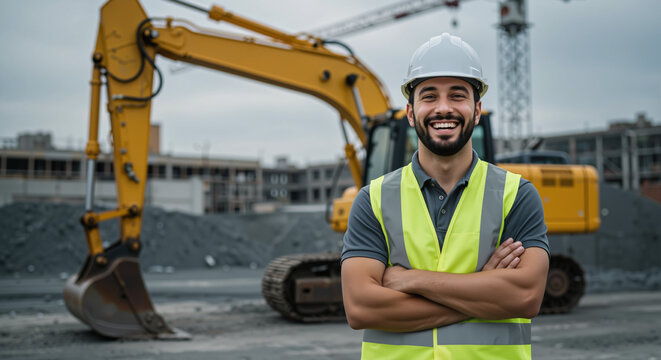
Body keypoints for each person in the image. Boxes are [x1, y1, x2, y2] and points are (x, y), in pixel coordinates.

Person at [341, 33, 549, 360]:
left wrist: (411, 280)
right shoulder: (373, 199)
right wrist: (484, 289)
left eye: (457, 95)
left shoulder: (516, 195)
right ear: (411, 113)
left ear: (477, 110)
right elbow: (361, 307)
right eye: (429, 96)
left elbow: (524, 297)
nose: (443, 108)